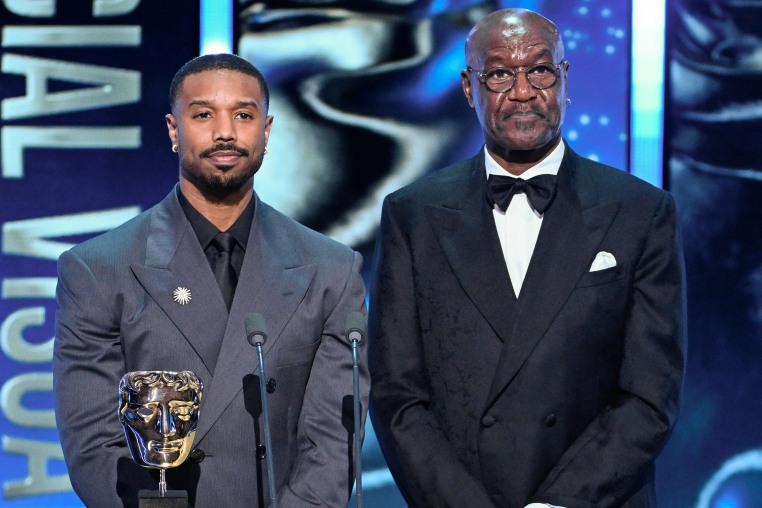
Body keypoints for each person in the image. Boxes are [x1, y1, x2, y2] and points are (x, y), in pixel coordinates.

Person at [368, 8, 686, 508]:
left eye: (539, 70)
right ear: (470, 88)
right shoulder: (414, 215)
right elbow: (397, 395)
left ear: (564, 78)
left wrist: (558, 503)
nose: (522, 91)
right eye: (499, 74)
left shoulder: (641, 211)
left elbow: (650, 395)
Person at [53, 53, 368, 508]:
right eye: (203, 114)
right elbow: (94, 444)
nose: (225, 132)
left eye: (243, 114)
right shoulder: (98, 269)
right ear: (174, 130)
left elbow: (334, 443)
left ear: (267, 130)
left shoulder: (332, 270)